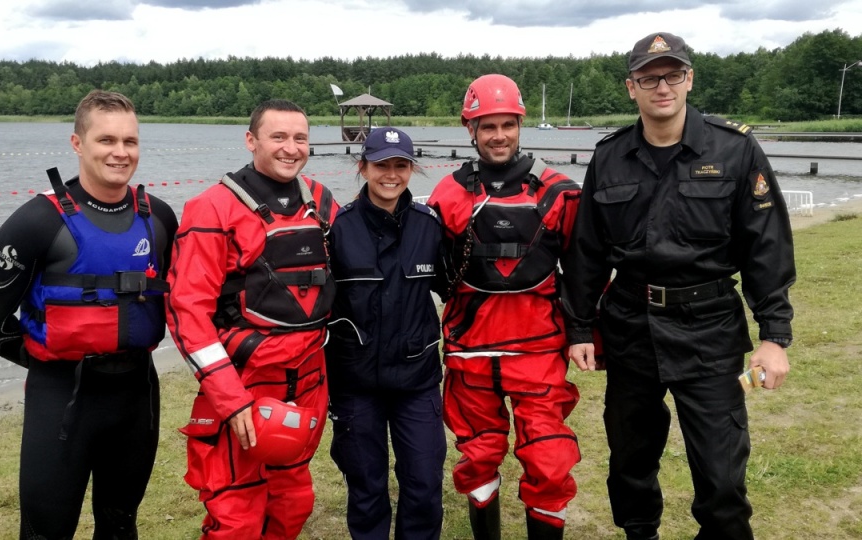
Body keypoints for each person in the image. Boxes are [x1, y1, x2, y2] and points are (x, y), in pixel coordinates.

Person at [562, 32, 795, 540]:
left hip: (709, 328)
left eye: (672, 74)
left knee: (721, 474)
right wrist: (580, 327)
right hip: (630, 326)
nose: (661, 86)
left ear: (689, 79)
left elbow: (767, 247)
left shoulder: (734, 150)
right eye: (649, 77)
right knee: (629, 462)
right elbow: (588, 252)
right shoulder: (610, 156)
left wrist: (774, 335)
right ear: (632, 87)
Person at [0, 89, 178, 539]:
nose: (120, 153)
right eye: (106, 140)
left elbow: (188, 297)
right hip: (61, 395)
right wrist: (45, 359)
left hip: (137, 393)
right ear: (77, 144)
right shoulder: (36, 221)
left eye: (130, 141)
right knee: (46, 530)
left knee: (121, 525)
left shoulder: (158, 217)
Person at [165, 99, 338, 539]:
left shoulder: (320, 201)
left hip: (306, 386)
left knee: (292, 505)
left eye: (300, 138)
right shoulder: (211, 209)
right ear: (251, 140)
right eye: (278, 136)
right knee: (236, 519)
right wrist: (230, 398)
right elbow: (187, 311)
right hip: (243, 389)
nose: (290, 148)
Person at [426, 74, 583, 540]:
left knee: (551, 464)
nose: (498, 136)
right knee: (478, 459)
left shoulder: (560, 192)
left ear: (520, 123)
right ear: (469, 128)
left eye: (507, 125)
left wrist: (584, 334)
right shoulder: (448, 195)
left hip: (538, 353)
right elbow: (428, 272)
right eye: (487, 125)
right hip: (470, 354)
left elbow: (584, 272)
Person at [325, 127, 446, 540]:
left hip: (417, 379)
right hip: (356, 382)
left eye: (400, 165)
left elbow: (456, 288)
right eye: (381, 165)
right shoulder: (337, 229)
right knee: (366, 488)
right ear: (363, 168)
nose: (390, 175)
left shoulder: (431, 227)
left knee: (425, 487)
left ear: (412, 169)